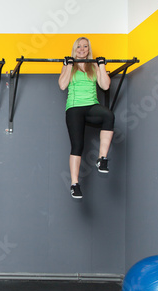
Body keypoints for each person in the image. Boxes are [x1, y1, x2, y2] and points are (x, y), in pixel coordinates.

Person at [58, 37, 114, 199]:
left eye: (85, 46)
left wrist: (101, 66)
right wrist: (68, 66)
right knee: (78, 146)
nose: (82, 49)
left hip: (91, 106)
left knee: (108, 115)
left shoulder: (94, 66)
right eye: (79, 47)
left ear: (88, 49)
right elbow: (62, 85)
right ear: (74, 49)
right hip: (74, 108)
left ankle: (101, 159)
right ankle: (74, 184)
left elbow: (105, 85)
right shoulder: (69, 64)